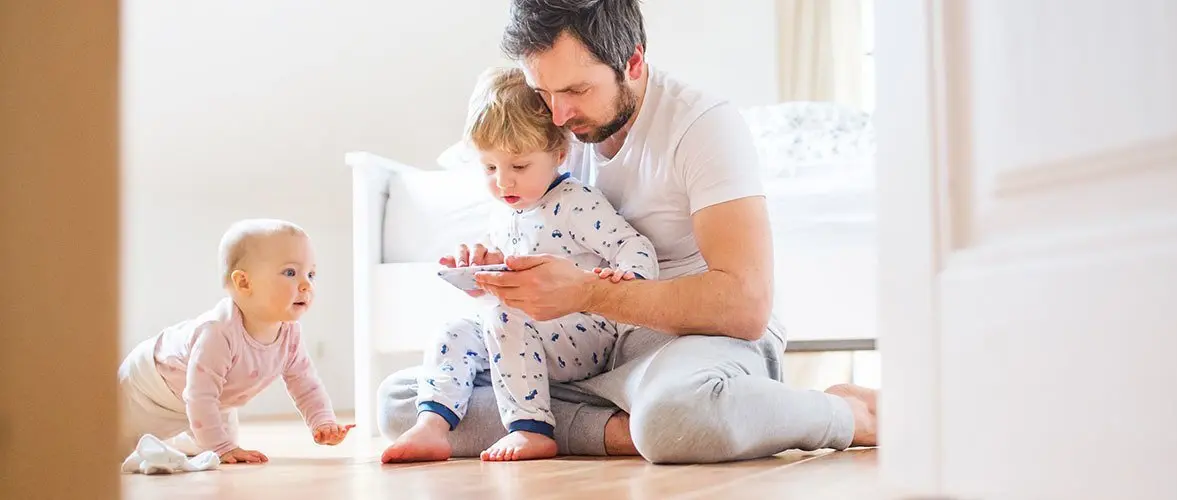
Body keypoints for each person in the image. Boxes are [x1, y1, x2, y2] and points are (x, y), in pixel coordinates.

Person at [379, 0, 878, 464]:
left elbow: (745, 308)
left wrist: (587, 293)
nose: (557, 116)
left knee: (675, 411)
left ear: (633, 62)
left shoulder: (702, 125)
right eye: (543, 92)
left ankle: (845, 414)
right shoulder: (555, 132)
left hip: (693, 342)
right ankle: (628, 428)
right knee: (404, 401)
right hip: (588, 351)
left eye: (576, 91)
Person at [381, 67, 658, 463]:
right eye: (490, 168)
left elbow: (634, 245)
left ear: (559, 154)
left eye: (519, 167)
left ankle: (531, 428)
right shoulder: (505, 212)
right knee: (454, 331)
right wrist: (484, 268)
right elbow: (508, 275)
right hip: (525, 330)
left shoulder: (575, 203)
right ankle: (432, 426)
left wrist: (627, 277)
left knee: (504, 318)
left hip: (585, 330)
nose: (503, 183)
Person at [118, 219, 354, 464]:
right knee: (112, 448)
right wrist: (221, 447)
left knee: (215, 448)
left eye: (311, 274)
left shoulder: (290, 334)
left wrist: (323, 421)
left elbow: (305, 383)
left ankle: (179, 443)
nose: (306, 284)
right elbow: (200, 395)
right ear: (244, 282)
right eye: (290, 273)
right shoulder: (218, 333)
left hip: (212, 400)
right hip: (148, 389)